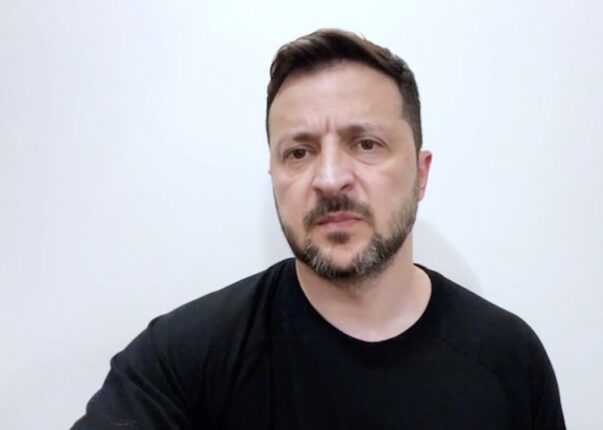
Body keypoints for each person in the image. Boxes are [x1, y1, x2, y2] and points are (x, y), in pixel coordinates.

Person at [73, 28, 565, 429]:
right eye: (299, 152)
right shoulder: (182, 359)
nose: (329, 178)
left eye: (366, 143)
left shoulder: (508, 358)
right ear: (274, 177)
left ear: (420, 174)